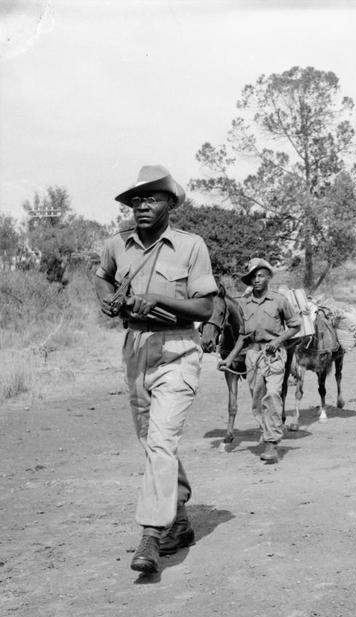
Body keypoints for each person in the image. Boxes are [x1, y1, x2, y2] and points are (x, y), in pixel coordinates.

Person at [95, 165, 217, 574]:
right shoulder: (117, 245)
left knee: (161, 443)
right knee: (153, 442)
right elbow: (102, 278)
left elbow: (205, 307)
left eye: (151, 199)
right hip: (136, 350)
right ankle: (180, 521)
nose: (141, 206)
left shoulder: (190, 246)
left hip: (179, 349)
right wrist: (109, 299)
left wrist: (157, 301)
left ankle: (151, 534)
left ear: (170, 203)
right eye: (136, 200)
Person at [219, 258, 300, 464]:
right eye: (253, 277)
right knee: (257, 401)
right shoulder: (244, 304)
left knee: (273, 394)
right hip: (252, 356)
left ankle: (271, 444)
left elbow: (295, 325)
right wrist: (228, 359)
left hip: (274, 355)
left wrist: (279, 340)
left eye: (261, 275)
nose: (257, 280)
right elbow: (242, 337)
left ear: (268, 277)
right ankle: (267, 432)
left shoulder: (279, 300)